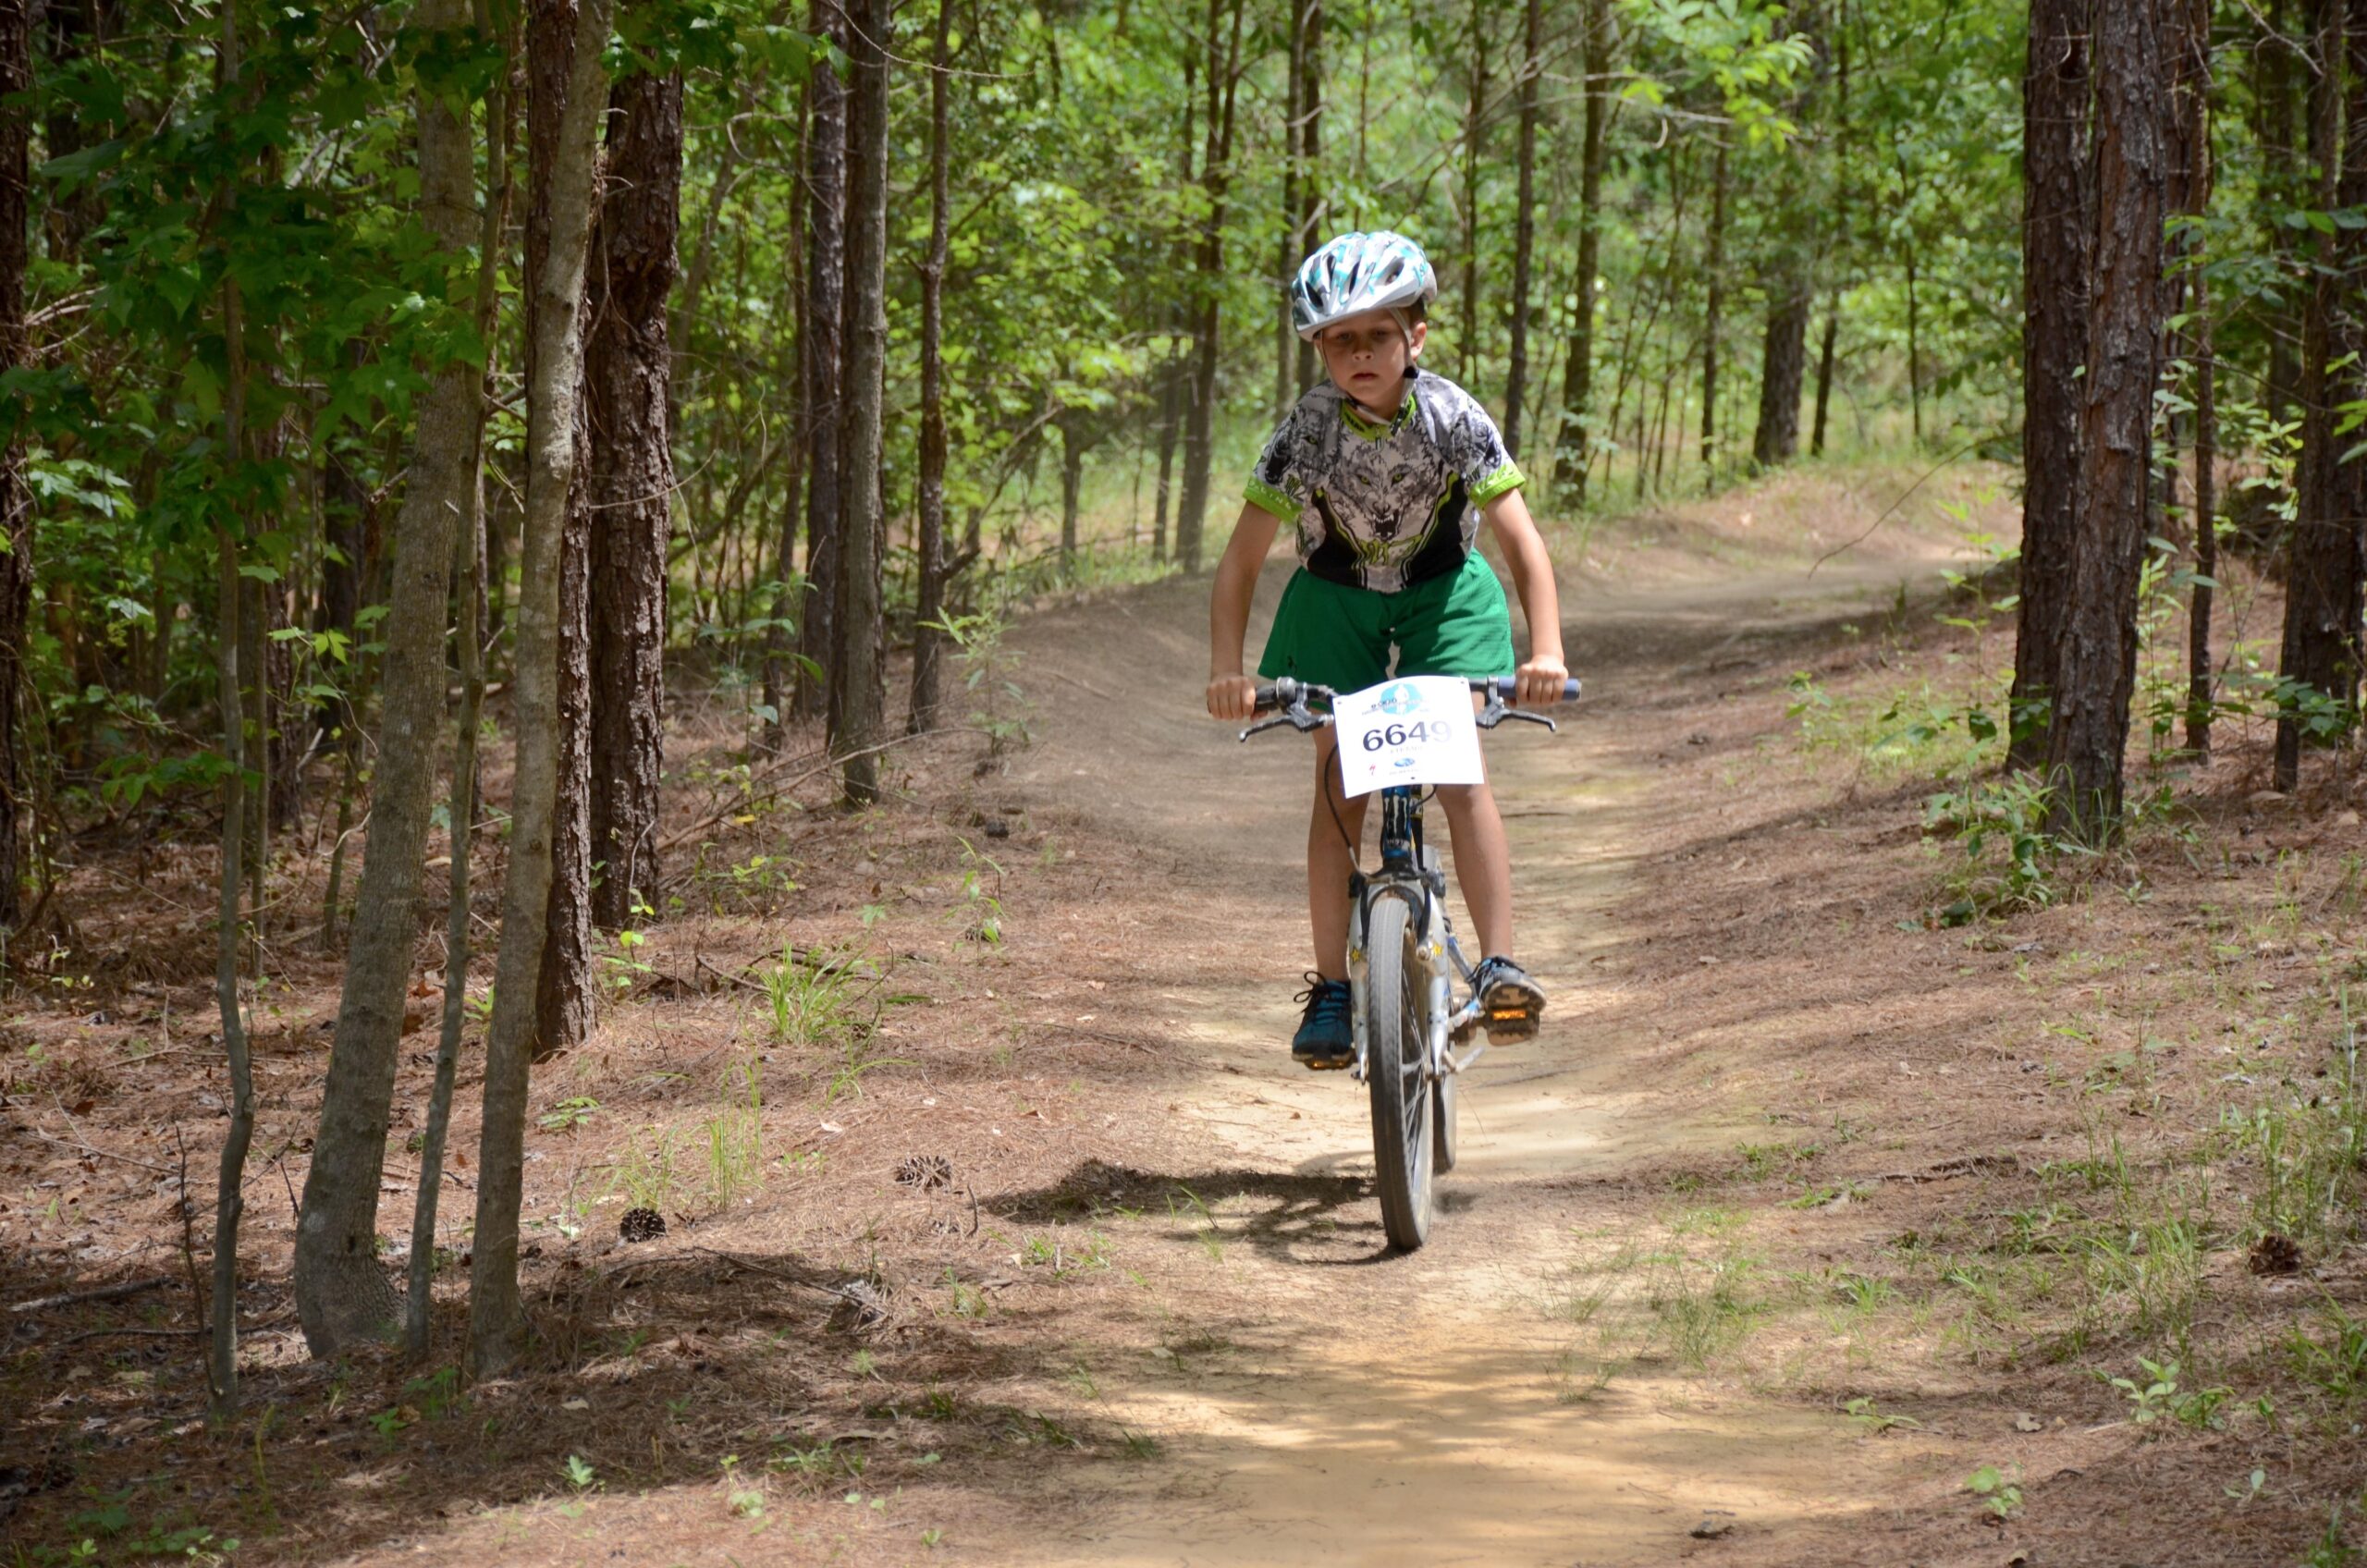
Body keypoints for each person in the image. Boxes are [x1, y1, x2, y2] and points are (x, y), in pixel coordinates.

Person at [1205, 230, 1569, 1070]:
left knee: (1460, 770)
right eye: (1340, 339)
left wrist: (1543, 648)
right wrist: (1228, 669)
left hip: (1445, 591)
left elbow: (1521, 541)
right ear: (1318, 349)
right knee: (1339, 780)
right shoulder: (1304, 431)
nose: (1359, 352)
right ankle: (1332, 986)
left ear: (1417, 337)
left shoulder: (1453, 416)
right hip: (1334, 596)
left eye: (1377, 334)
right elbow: (1240, 562)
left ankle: (1500, 965)